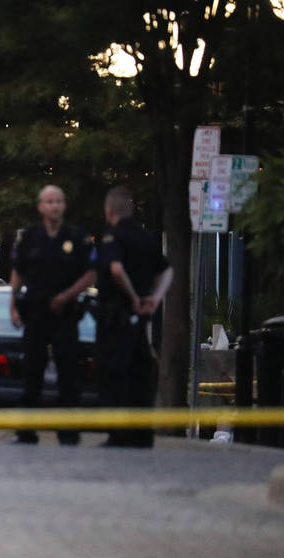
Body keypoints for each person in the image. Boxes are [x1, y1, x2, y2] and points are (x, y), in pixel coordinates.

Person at [9, 185, 95, 445]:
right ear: (40, 207)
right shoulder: (30, 238)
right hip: (35, 311)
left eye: (59, 201)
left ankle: (68, 432)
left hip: (65, 312)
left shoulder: (77, 237)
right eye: (49, 201)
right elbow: (17, 272)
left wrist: (66, 296)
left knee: (68, 372)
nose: (54, 206)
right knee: (31, 370)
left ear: (64, 205)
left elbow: (91, 273)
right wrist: (13, 304)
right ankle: (26, 431)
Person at [95, 185, 173, 448]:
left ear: (109, 210)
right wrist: (155, 299)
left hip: (116, 318)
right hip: (139, 321)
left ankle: (119, 435)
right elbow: (167, 271)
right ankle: (142, 435)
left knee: (115, 376)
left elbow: (116, 270)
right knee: (140, 376)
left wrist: (133, 297)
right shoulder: (146, 238)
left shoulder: (113, 237)